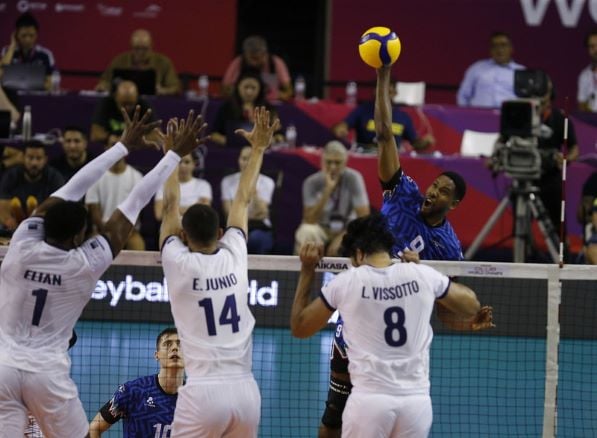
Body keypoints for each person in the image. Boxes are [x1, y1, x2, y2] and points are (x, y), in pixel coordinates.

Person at [0, 106, 206, 438]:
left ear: (42, 223)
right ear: (78, 237)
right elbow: (134, 204)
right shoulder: (83, 265)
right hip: (47, 375)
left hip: (4, 368)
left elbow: (70, 188)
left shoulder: (22, 242)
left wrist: (121, 145)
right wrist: (172, 156)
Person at [315, 65, 480, 438]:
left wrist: (467, 321)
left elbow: (448, 309)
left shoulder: (450, 250)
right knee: (334, 411)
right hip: (360, 305)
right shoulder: (403, 193)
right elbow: (385, 134)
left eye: (441, 193)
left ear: (452, 205)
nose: (432, 193)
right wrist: (383, 77)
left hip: (398, 339)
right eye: (433, 185)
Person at [290, 214, 493, 438]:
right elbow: (471, 305)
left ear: (358, 255)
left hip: (369, 404)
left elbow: (300, 328)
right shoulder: (421, 274)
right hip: (416, 405)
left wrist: (307, 270)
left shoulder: (348, 281)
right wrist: (419, 272)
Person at [159, 107, 280, 437]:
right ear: (220, 233)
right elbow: (242, 199)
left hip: (203, 394)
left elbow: (169, 207)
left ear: (184, 237)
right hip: (246, 392)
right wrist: (258, 148)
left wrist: (172, 154)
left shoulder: (178, 262)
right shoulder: (235, 252)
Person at [89, 327, 185, 437]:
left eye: (180, 345)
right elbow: (95, 427)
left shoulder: (195, 398)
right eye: (168, 344)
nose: (174, 348)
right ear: (156, 355)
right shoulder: (133, 391)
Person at [294, 140, 370, 256]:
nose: (332, 167)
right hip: (321, 229)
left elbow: (364, 216)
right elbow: (309, 220)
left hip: (346, 228)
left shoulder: (354, 178)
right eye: (328, 162)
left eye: (337, 162)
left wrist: (343, 236)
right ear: (322, 162)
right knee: (306, 231)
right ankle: (304, 270)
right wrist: (327, 191)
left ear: (345, 162)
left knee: (363, 232)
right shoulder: (311, 182)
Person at [535, 78, 579, 247]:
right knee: (521, 224)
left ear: (551, 93)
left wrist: (566, 159)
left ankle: (564, 259)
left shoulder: (560, 118)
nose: (541, 96)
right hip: (526, 178)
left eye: (544, 91)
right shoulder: (524, 115)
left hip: (551, 179)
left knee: (558, 228)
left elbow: (575, 149)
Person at [332, 82, 434, 151]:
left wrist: (425, 142)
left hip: (393, 161)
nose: (384, 96)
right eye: (381, 92)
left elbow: (415, 143)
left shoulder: (403, 117)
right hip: (366, 156)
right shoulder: (362, 110)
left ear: (395, 93)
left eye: (388, 92)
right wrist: (340, 129)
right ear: (375, 91)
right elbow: (343, 125)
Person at [86, 132, 145, 251]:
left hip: (128, 232)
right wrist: (106, 232)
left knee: (137, 244)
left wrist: (122, 233)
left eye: (121, 145)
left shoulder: (137, 177)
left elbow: (136, 212)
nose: (117, 149)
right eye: (113, 145)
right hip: (100, 230)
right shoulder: (95, 175)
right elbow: (93, 210)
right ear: (106, 148)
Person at [221, 145, 276, 254]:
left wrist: (253, 188)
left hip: (259, 228)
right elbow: (228, 213)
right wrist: (250, 216)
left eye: (250, 159)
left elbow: (262, 214)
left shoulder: (268, 182)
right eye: (244, 159)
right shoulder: (227, 181)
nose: (246, 163)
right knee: (234, 240)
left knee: (257, 239)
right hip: (235, 228)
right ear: (238, 160)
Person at [0, 141, 64, 232]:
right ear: (23, 158)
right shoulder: (10, 176)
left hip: (45, 225)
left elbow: (58, 209)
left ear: (45, 159)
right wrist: (8, 220)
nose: (34, 163)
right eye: (30, 158)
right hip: (15, 227)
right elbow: (3, 206)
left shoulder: (55, 178)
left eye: (38, 158)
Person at [96, 29, 181, 95]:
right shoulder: (119, 61)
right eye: (137, 48)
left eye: (144, 49)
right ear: (131, 46)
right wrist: (103, 86)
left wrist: (163, 91)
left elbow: (175, 87)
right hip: (123, 101)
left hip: (154, 104)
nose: (140, 52)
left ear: (151, 46)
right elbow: (105, 81)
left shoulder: (163, 62)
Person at [211, 70, 283, 147]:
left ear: (260, 89)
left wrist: (271, 141)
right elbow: (214, 134)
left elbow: (280, 135)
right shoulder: (226, 108)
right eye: (246, 87)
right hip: (231, 151)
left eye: (253, 88)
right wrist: (230, 142)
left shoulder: (268, 109)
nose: (249, 92)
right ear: (238, 87)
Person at [457, 32, 525, 108]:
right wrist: (466, 116)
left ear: (511, 48)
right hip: (480, 116)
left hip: (510, 117)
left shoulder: (521, 71)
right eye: (495, 46)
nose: (499, 50)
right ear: (490, 50)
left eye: (503, 45)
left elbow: (528, 100)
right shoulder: (476, 68)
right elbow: (463, 95)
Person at [222, 35, 292, 101]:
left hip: (268, 106)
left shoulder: (276, 63)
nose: (253, 63)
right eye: (251, 58)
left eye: (256, 58)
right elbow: (225, 89)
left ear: (265, 54)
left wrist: (279, 95)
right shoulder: (238, 62)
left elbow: (289, 91)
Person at [0, 12, 56, 91]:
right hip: (11, 97)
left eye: (31, 35)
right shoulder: (7, 51)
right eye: (23, 35)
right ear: (16, 34)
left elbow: (51, 83)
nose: (27, 39)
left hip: (37, 97)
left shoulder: (45, 54)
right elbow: (1, 73)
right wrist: (12, 46)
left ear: (36, 35)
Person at [154, 151, 212, 221]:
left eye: (187, 162)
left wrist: (170, 209)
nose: (182, 166)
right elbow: (159, 214)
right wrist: (195, 207)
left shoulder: (203, 185)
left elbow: (204, 213)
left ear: (194, 164)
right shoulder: (163, 186)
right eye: (179, 162)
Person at [91, 80, 155, 142]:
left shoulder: (143, 104)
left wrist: (133, 140)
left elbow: (156, 135)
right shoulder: (106, 103)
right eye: (124, 104)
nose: (127, 107)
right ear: (116, 97)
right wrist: (109, 137)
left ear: (136, 98)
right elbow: (95, 134)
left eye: (131, 104)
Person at [577, 29, 597, 112]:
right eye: (592, 46)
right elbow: (581, 104)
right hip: (592, 122)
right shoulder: (584, 75)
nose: (596, 50)